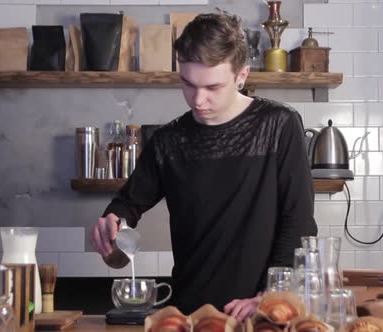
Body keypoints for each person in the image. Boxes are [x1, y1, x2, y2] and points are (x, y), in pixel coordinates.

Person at [91, 11, 317, 321]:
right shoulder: (168, 141)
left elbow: (299, 221)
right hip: (190, 315)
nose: (197, 100)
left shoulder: (280, 125)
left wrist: (271, 295)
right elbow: (127, 204)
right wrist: (111, 225)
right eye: (187, 84)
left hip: (262, 314)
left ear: (242, 75)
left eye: (212, 87)